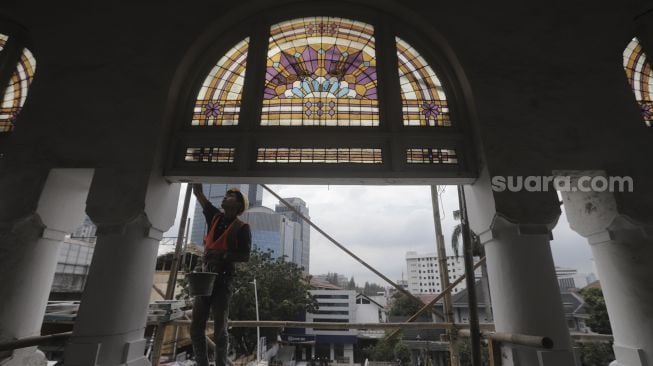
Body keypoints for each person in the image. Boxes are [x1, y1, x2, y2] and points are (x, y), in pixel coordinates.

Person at [190, 183, 252, 366]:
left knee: (219, 330)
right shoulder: (214, 216)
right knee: (196, 327)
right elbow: (198, 193)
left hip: (224, 280)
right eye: (226, 195)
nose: (225, 197)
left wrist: (222, 255)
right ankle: (202, 363)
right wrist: (197, 174)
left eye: (230, 196)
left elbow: (245, 255)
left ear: (238, 206)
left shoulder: (242, 227)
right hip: (205, 276)